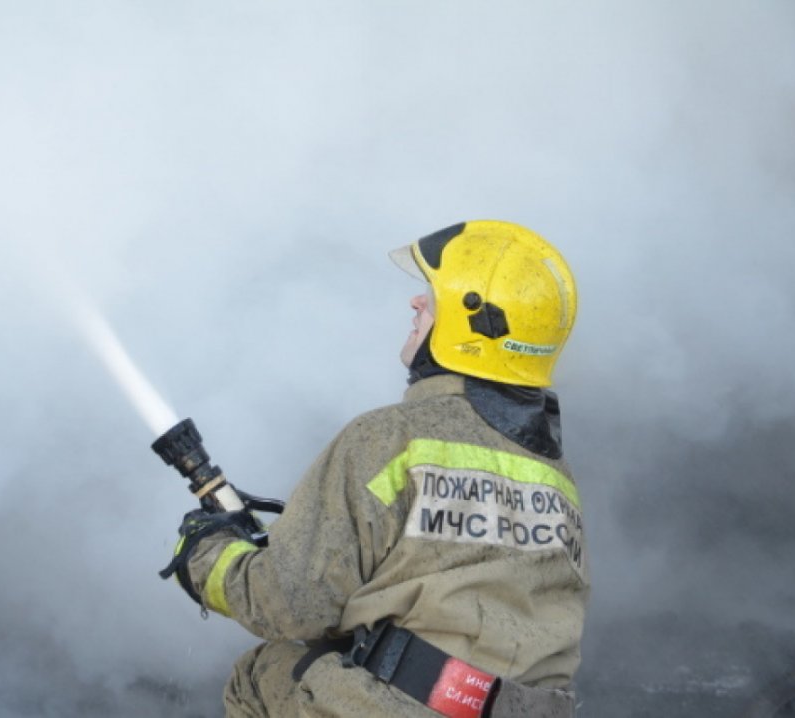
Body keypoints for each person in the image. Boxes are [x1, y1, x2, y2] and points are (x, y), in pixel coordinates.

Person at [167, 220, 589, 717]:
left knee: (266, 671)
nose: (416, 304)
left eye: (432, 294)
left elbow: (288, 605)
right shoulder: (554, 476)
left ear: (474, 323)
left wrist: (203, 552)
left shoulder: (389, 439)